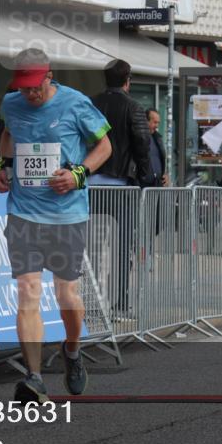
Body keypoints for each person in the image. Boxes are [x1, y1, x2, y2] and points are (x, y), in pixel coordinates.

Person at [0, 48, 112, 404]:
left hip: (66, 216)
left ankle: (71, 351)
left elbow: (105, 145)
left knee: (67, 297)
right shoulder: (11, 103)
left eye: (35, 87)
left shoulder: (76, 103)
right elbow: (7, 136)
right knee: (28, 292)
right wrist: (2, 164)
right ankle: (34, 378)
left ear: (49, 76)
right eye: (24, 88)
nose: (29, 94)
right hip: (24, 212)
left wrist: (78, 174)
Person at [90, 60, 153, 316]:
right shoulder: (133, 107)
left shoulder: (90, 103)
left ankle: (91, 301)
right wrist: (146, 177)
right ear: (128, 80)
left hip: (90, 182)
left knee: (91, 246)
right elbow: (141, 144)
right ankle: (119, 302)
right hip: (121, 185)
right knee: (122, 244)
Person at [146, 108, 168, 187]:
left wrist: (165, 174)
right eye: (155, 122)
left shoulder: (157, 138)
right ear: (146, 121)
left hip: (157, 185)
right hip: (142, 185)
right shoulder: (138, 138)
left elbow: (161, 159)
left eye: (158, 123)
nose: (157, 126)